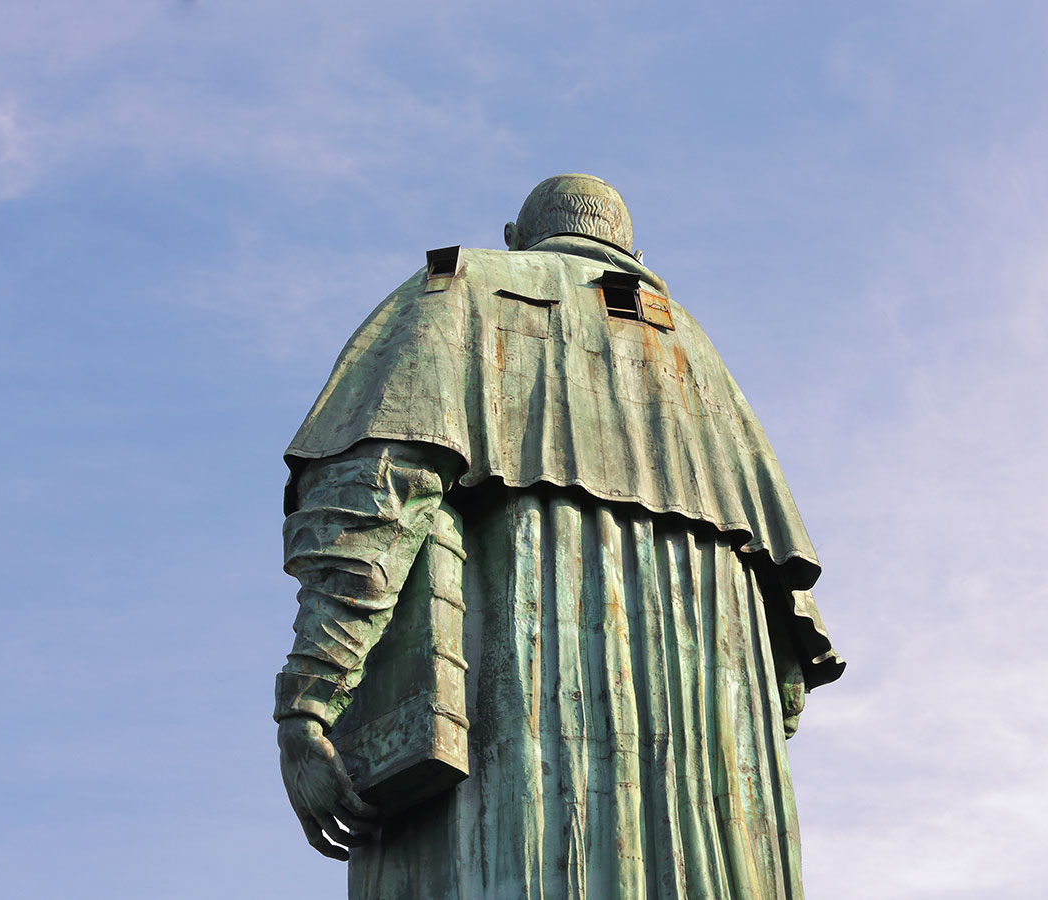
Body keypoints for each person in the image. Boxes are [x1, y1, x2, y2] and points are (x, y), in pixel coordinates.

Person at [275, 174, 844, 899]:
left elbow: (372, 499)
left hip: (519, 771)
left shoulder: (458, 288)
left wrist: (309, 698)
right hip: (721, 816)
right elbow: (788, 686)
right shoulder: (700, 358)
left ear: (518, 238)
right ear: (631, 248)